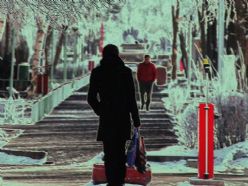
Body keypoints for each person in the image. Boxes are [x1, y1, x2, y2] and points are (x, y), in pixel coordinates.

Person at [87, 44, 141, 186]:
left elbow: (91, 98)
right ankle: (119, 182)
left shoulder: (97, 72)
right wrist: (136, 119)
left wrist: (101, 110)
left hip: (107, 119)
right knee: (120, 153)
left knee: (109, 154)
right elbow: (131, 99)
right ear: (117, 54)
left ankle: (111, 182)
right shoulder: (125, 72)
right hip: (123, 118)